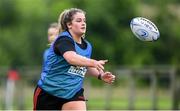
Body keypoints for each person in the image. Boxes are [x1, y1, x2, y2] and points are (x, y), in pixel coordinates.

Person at [33, 8, 115, 110]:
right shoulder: (63, 40)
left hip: (73, 93)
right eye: (79, 20)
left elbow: (85, 66)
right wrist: (93, 62)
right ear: (69, 25)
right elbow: (71, 58)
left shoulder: (87, 46)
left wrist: (100, 75)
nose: (83, 23)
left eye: (84, 21)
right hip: (49, 93)